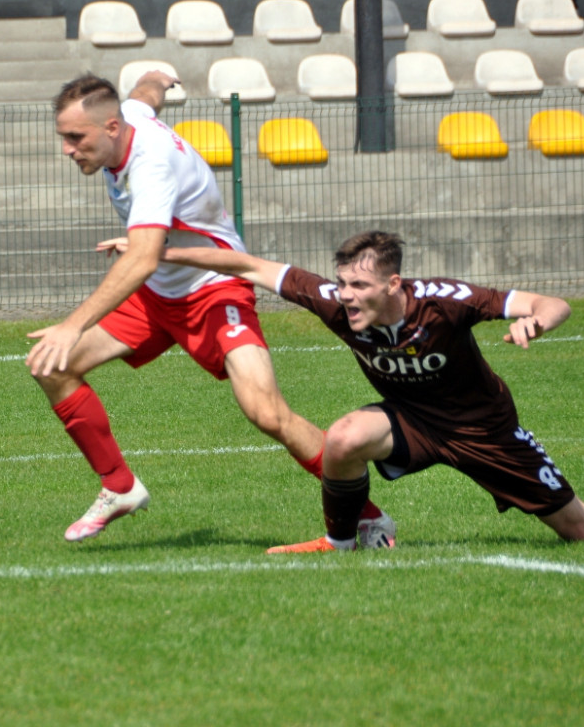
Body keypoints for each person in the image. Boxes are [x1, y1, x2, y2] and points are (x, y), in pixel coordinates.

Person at [25, 72, 395, 546]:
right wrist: (157, 77)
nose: (68, 149)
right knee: (51, 367)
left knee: (267, 413)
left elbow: (139, 257)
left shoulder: (150, 167)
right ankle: (119, 486)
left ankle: (368, 517)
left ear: (111, 128)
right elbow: (143, 96)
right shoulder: (130, 116)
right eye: (64, 137)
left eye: (76, 137)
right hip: (157, 294)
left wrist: (72, 326)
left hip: (215, 290)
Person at [153, 230, 584, 551]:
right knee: (344, 437)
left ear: (393, 285)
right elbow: (250, 265)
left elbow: (552, 304)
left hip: (483, 430)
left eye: (359, 286)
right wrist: (165, 255)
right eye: (343, 283)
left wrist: (537, 321)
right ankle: (341, 541)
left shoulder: (445, 302)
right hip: (411, 421)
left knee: (581, 530)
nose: (346, 296)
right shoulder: (335, 302)